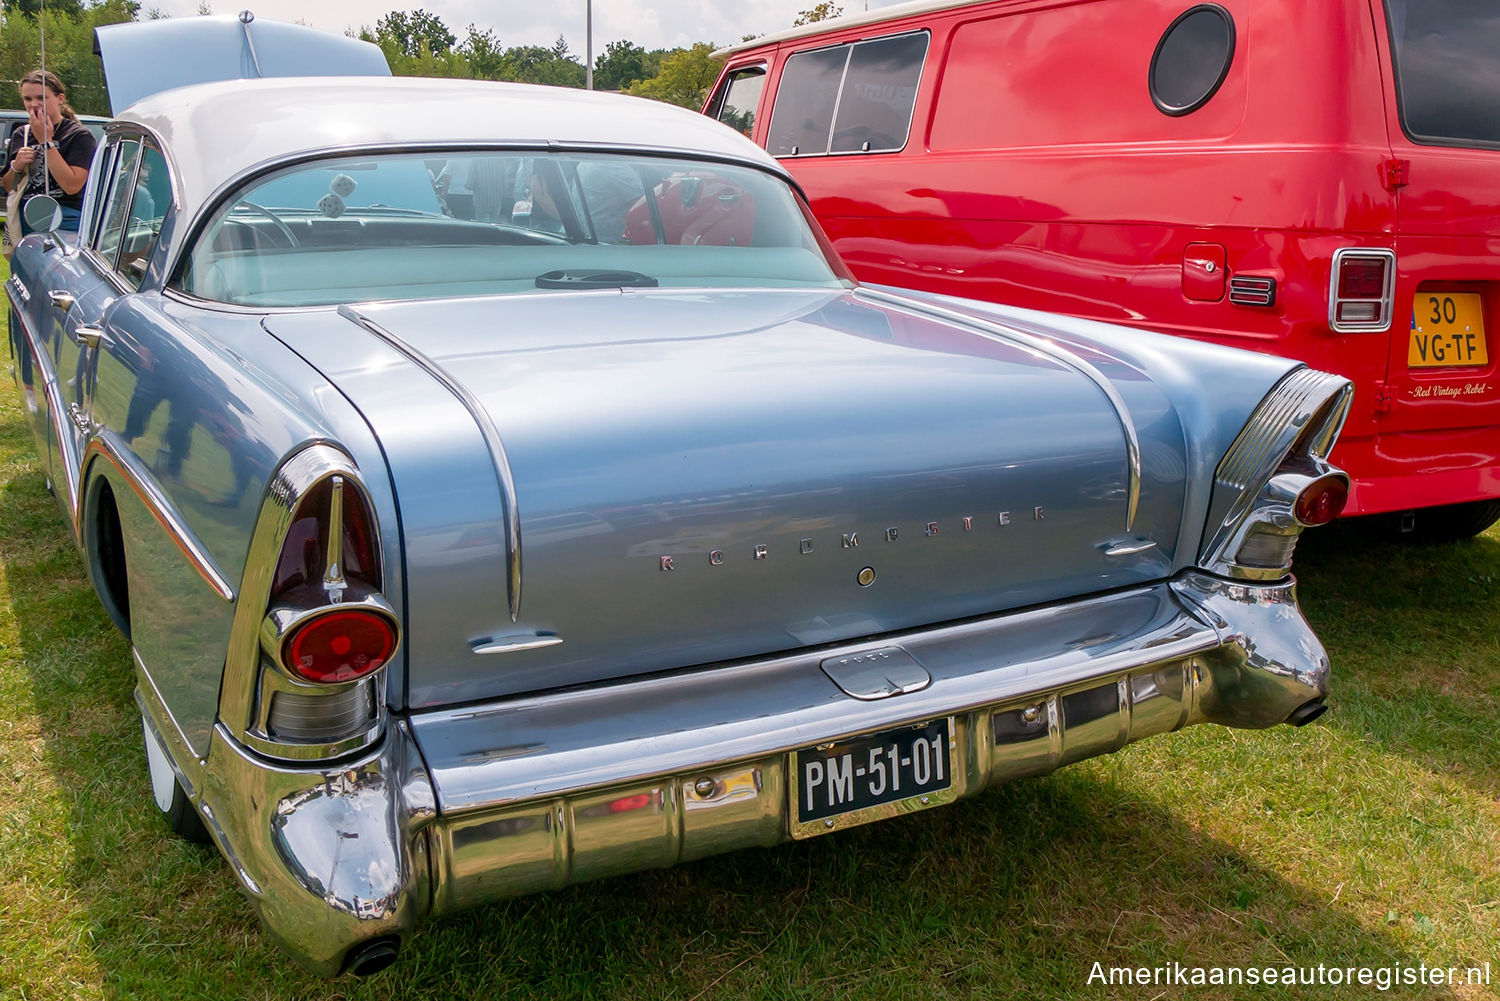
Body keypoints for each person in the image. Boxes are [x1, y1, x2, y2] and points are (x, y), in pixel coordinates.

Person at [2, 69, 97, 234]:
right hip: (27, 217)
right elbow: (9, 186)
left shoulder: (79, 136)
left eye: (41, 98)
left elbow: (72, 186)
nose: (34, 104)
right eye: (27, 99)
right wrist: (16, 166)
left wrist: (46, 142)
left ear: (60, 98)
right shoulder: (21, 134)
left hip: (65, 219)